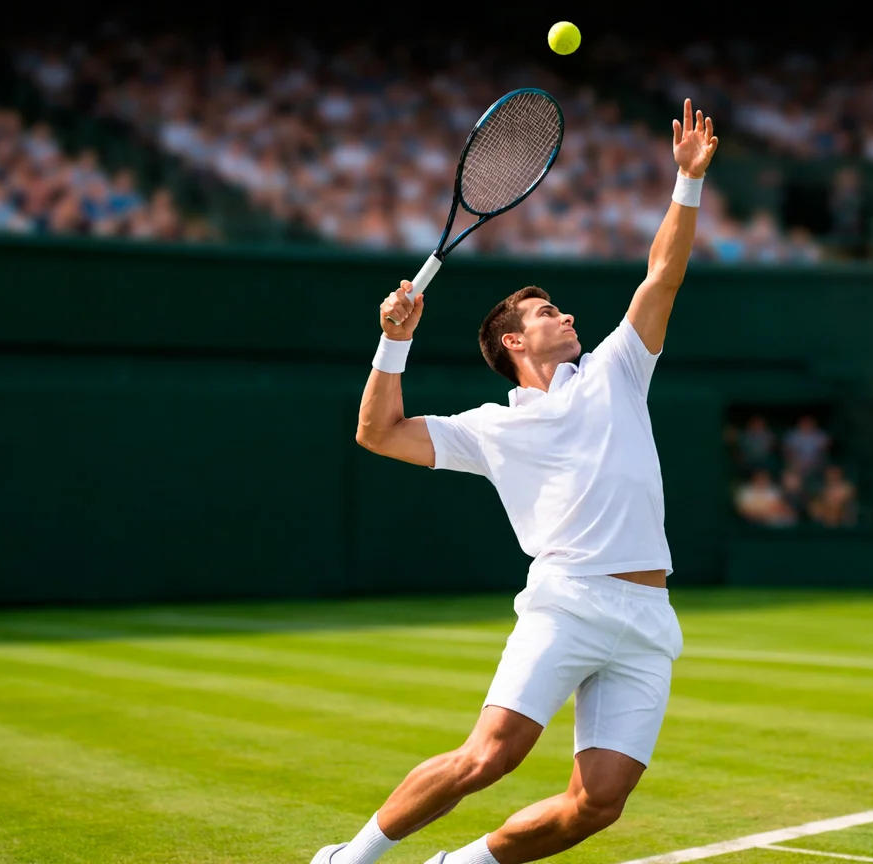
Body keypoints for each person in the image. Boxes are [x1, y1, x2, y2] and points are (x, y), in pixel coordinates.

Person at [324, 101, 719, 864]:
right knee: (488, 757)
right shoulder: (490, 426)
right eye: (546, 311)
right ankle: (353, 858)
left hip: (646, 613)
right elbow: (377, 432)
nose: (565, 313)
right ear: (513, 341)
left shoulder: (617, 369)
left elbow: (663, 274)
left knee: (598, 803)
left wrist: (687, 183)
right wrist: (392, 341)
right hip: (568, 599)